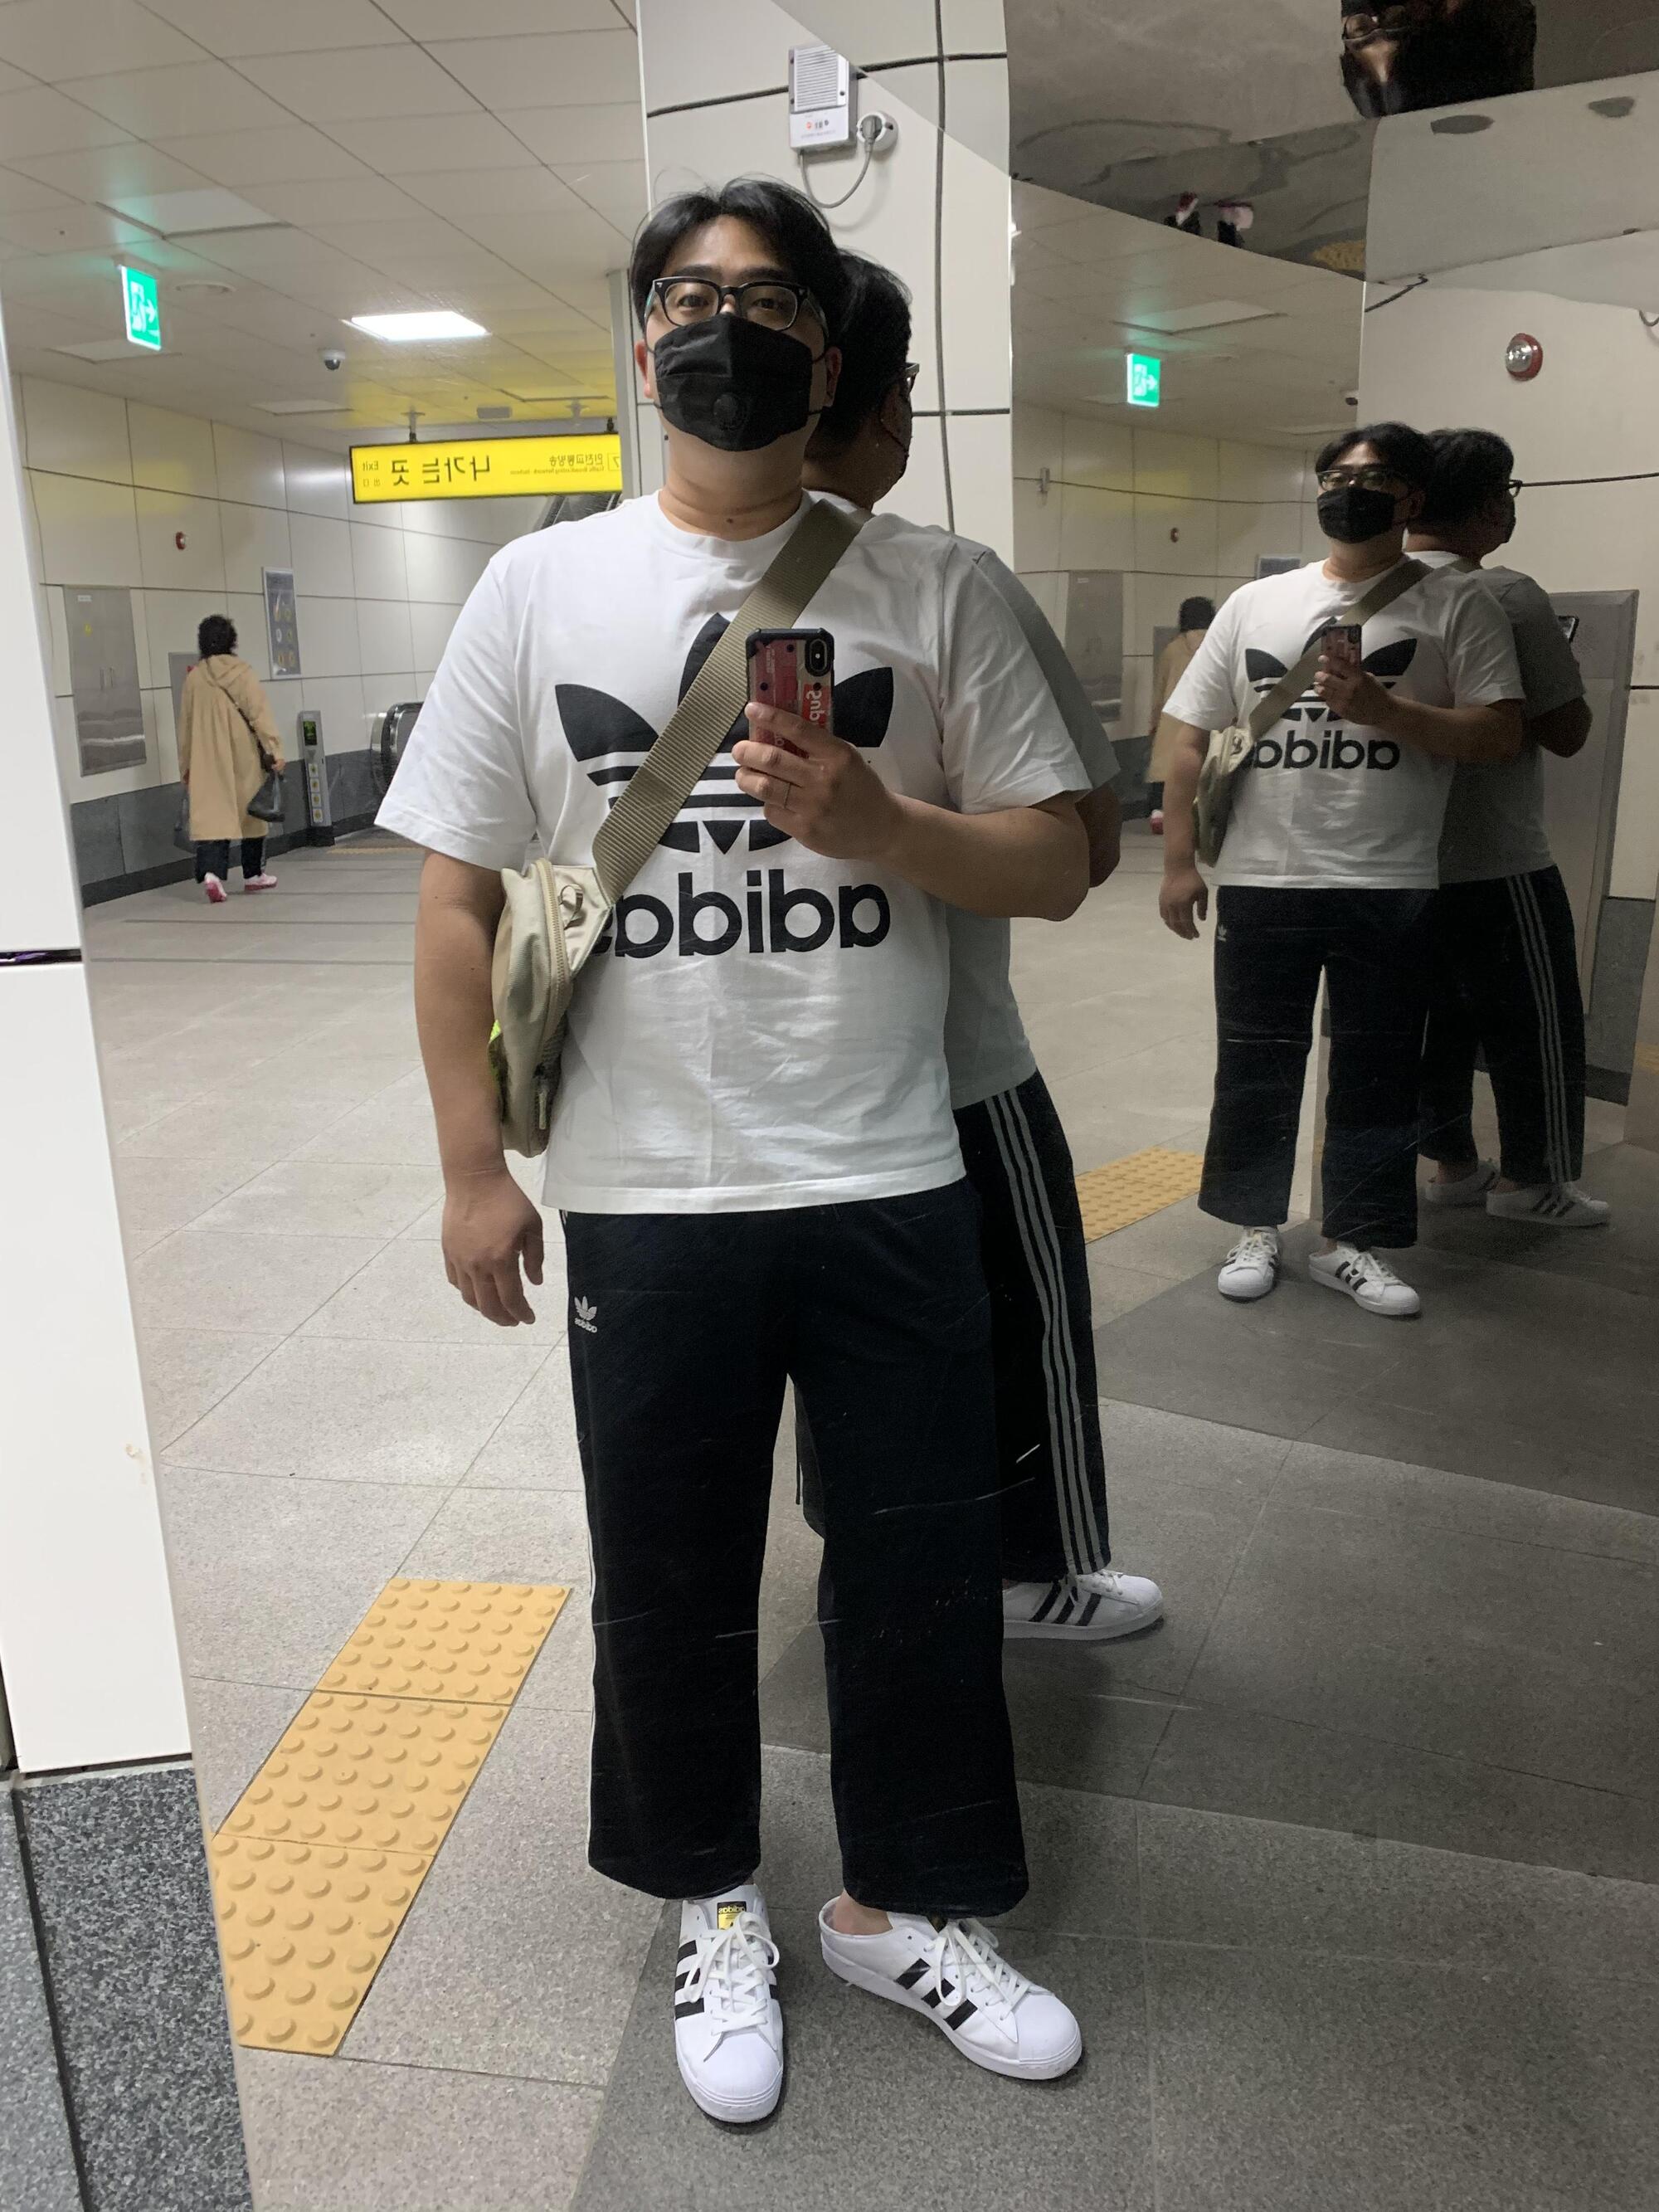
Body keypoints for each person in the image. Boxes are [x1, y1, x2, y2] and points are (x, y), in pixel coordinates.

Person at [376, 178, 1092, 2126]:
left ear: (825, 358)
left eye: (768, 303)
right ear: (639, 346)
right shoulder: (537, 589)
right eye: (688, 297)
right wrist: (471, 1165)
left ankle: (898, 1902)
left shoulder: (938, 587)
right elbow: (456, 899)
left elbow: (1059, 854)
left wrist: (884, 828)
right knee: (668, 1570)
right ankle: (709, 1896)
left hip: (886, 1170)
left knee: (919, 1563)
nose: (723, 327)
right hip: (646, 1192)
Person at [799, 251, 1163, 1645]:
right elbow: (1087, 843)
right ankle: (1036, 1566)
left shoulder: (601, 581)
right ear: (889, 401)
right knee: (1020, 1312)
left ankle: (861, 1551)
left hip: (748, 1098)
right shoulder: (948, 583)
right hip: (952, 1073)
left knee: (822, 1340)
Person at [1156, 423, 1525, 1318]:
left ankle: (1351, 1240)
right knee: (1254, 1063)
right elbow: (1191, 736)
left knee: (1377, 1067)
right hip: (1261, 877)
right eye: (1334, 476)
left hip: (1389, 879)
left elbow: (1498, 732)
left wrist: (1385, 711)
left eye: (1374, 477)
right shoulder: (1257, 603)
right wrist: (1177, 863)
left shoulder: (1457, 604)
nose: (1348, 491)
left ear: (1411, 497)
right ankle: (1253, 1224)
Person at [1408, 428, 1610, 1227]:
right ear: (1493, 506)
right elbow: (1567, 730)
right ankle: (1533, 1180)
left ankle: (1452, 1165)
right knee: (1534, 1022)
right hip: (1497, 855)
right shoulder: (1508, 595)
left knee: (1435, 1022)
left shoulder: (1373, 589)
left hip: (1398, 860)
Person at [178, 616, 284, 904]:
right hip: (244, 756)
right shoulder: (243, 673)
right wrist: (274, 750)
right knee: (253, 813)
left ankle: (212, 875)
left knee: (213, 815)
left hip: (207, 758)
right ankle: (253, 874)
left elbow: (185, 728)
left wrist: (186, 766)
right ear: (232, 641)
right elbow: (260, 715)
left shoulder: (194, 679)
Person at [1146, 597, 1215, 831]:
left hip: (1173, 715)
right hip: (1206, 713)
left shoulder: (1172, 649)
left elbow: (1160, 688)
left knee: (1166, 765)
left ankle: (1159, 812)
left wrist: (1154, 720)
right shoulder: (1217, 646)